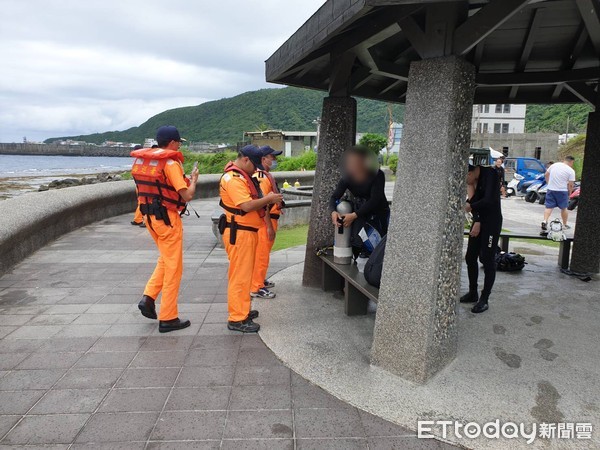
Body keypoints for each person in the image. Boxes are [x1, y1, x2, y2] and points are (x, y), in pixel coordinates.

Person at [132, 126, 198, 333]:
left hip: (149, 218)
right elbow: (186, 195)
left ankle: (148, 298)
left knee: (165, 259)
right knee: (174, 268)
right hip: (167, 219)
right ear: (171, 143)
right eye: (179, 142)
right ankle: (168, 317)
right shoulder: (170, 164)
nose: (180, 145)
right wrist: (194, 180)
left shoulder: (144, 163)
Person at [219, 145, 283, 332]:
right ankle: (237, 318)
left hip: (246, 231)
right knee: (240, 276)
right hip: (239, 232)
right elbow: (246, 205)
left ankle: (243, 310)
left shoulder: (242, 176)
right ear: (245, 160)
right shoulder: (233, 179)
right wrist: (269, 199)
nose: (256, 170)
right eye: (254, 165)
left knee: (245, 275)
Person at [329, 145, 390, 258]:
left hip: (379, 214)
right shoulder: (347, 178)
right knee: (358, 243)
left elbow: (375, 200)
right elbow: (334, 197)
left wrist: (353, 215)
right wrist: (333, 212)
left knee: (379, 246)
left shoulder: (377, 175)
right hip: (361, 213)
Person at [461, 164, 503, 314]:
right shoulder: (474, 180)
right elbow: (473, 200)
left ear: (471, 173)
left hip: (491, 222)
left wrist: (470, 207)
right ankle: (473, 292)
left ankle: (484, 299)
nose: (467, 183)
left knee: (487, 258)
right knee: (470, 257)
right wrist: (476, 218)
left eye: (467, 179)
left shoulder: (490, 174)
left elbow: (489, 201)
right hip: (479, 221)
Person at [250, 145, 283, 299]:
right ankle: (256, 287)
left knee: (263, 254)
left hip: (268, 220)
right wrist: (269, 226)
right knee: (262, 255)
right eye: (272, 157)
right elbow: (263, 204)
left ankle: (259, 280)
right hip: (266, 222)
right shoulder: (261, 177)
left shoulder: (264, 175)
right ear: (263, 159)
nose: (274, 160)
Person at [542, 156, 576, 231]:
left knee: (549, 207)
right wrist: (570, 193)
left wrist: (548, 183)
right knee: (564, 208)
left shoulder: (554, 165)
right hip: (562, 191)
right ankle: (564, 224)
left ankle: (545, 221)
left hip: (551, 189)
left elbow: (546, 175)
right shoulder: (570, 170)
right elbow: (571, 184)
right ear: (571, 162)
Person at [130, 145, 146, 227]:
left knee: (144, 202)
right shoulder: (139, 160)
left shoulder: (141, 160)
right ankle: (138, 219)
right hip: (140, 185)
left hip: (143, 185)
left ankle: (143, 220)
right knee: (141, 202)